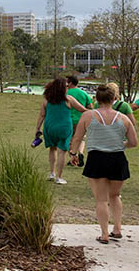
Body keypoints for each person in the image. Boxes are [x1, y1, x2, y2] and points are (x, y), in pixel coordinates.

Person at [71, 83, 138, 243]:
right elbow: (134, 142)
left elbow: (78, 137)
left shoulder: (87, 116)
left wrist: (73, 153)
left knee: (101, 199)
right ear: (114, 98)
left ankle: (104, 234)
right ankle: (117, 229)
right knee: (115, 195)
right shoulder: (123, 118)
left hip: (97, 158)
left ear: (97, 99)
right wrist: (121, 144)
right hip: (118, 159)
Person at [36, 76, 88, 185]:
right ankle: (59, 177)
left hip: (49, 127)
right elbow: (82, 110)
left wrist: (37, 129)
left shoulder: (46, 99)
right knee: (62, 152)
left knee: (52, 149)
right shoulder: (68, 99)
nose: (67, 88)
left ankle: (52, 173)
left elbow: (42, 115)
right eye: (66, 86)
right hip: (64, 128)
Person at [67, 75, 92, 167]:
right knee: (81, 138)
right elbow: (90, 107)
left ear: (70, 83)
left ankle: (73, 158)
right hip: (81, 119)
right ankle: (80, 152)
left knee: (69, 139)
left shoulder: (66, 93)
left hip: (69, 119)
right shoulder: (84, 93)